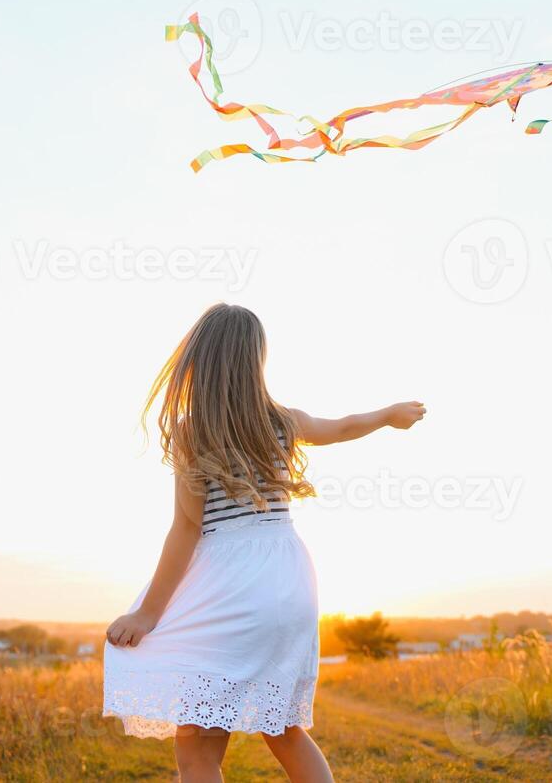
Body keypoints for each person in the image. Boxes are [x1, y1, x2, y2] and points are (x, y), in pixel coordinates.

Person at [102, 303, 426, 782]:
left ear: (199, 361)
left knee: (197, 754)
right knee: (286, 731)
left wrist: (146, 614)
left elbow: (187, 530)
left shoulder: (196, 433)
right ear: (256, 360)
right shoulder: (283, 422)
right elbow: (342, 427)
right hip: (289, 578)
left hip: (232, 584)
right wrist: (388, 415)